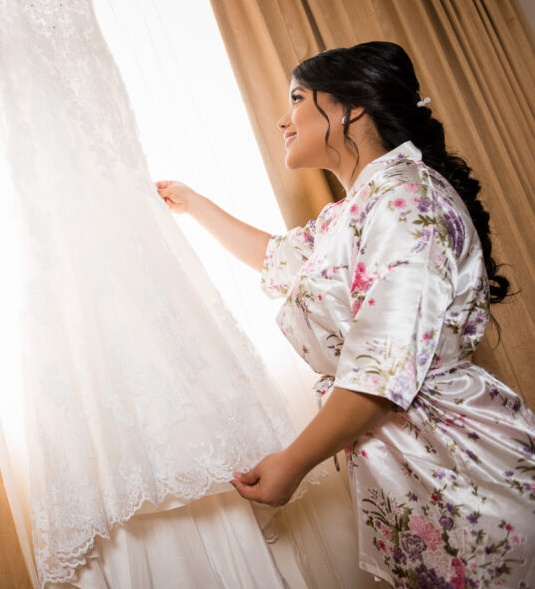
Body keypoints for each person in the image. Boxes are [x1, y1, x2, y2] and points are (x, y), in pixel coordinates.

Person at [157, 41, 535, 587]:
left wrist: (291, 463)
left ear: (349, 107)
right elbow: (279, 259)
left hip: (467, 471)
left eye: (296, 99)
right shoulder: (356, 210)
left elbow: (380, 366)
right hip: (420, 470)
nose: (282, 119)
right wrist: (192, 204)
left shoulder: (408, 201)